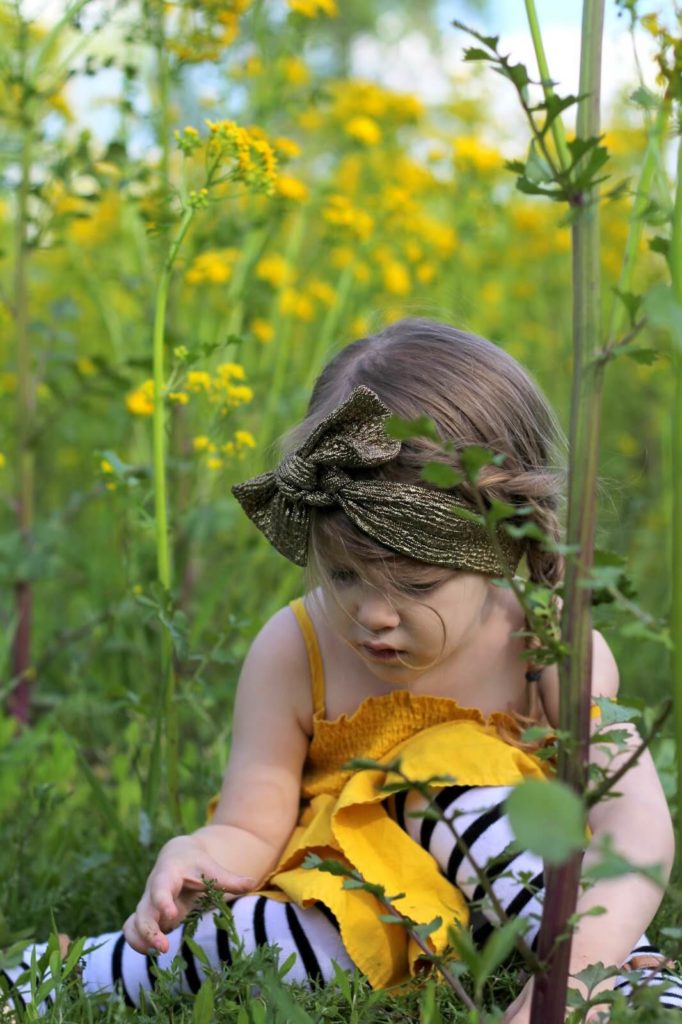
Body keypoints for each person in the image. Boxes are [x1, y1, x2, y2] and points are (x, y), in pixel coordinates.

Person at [4, 319, 680, 1020]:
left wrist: (570, 976)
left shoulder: (546, 643)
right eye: (346, 574)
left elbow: (635, 829)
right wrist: (198, 853)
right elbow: (251, 829)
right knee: (240, 950)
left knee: (467, 798)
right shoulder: (296, 649)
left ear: (506, 543)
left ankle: (602, 977)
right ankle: (59, 973)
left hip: (516, 900)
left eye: (417, 586)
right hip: (354, 912)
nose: (373, 616)